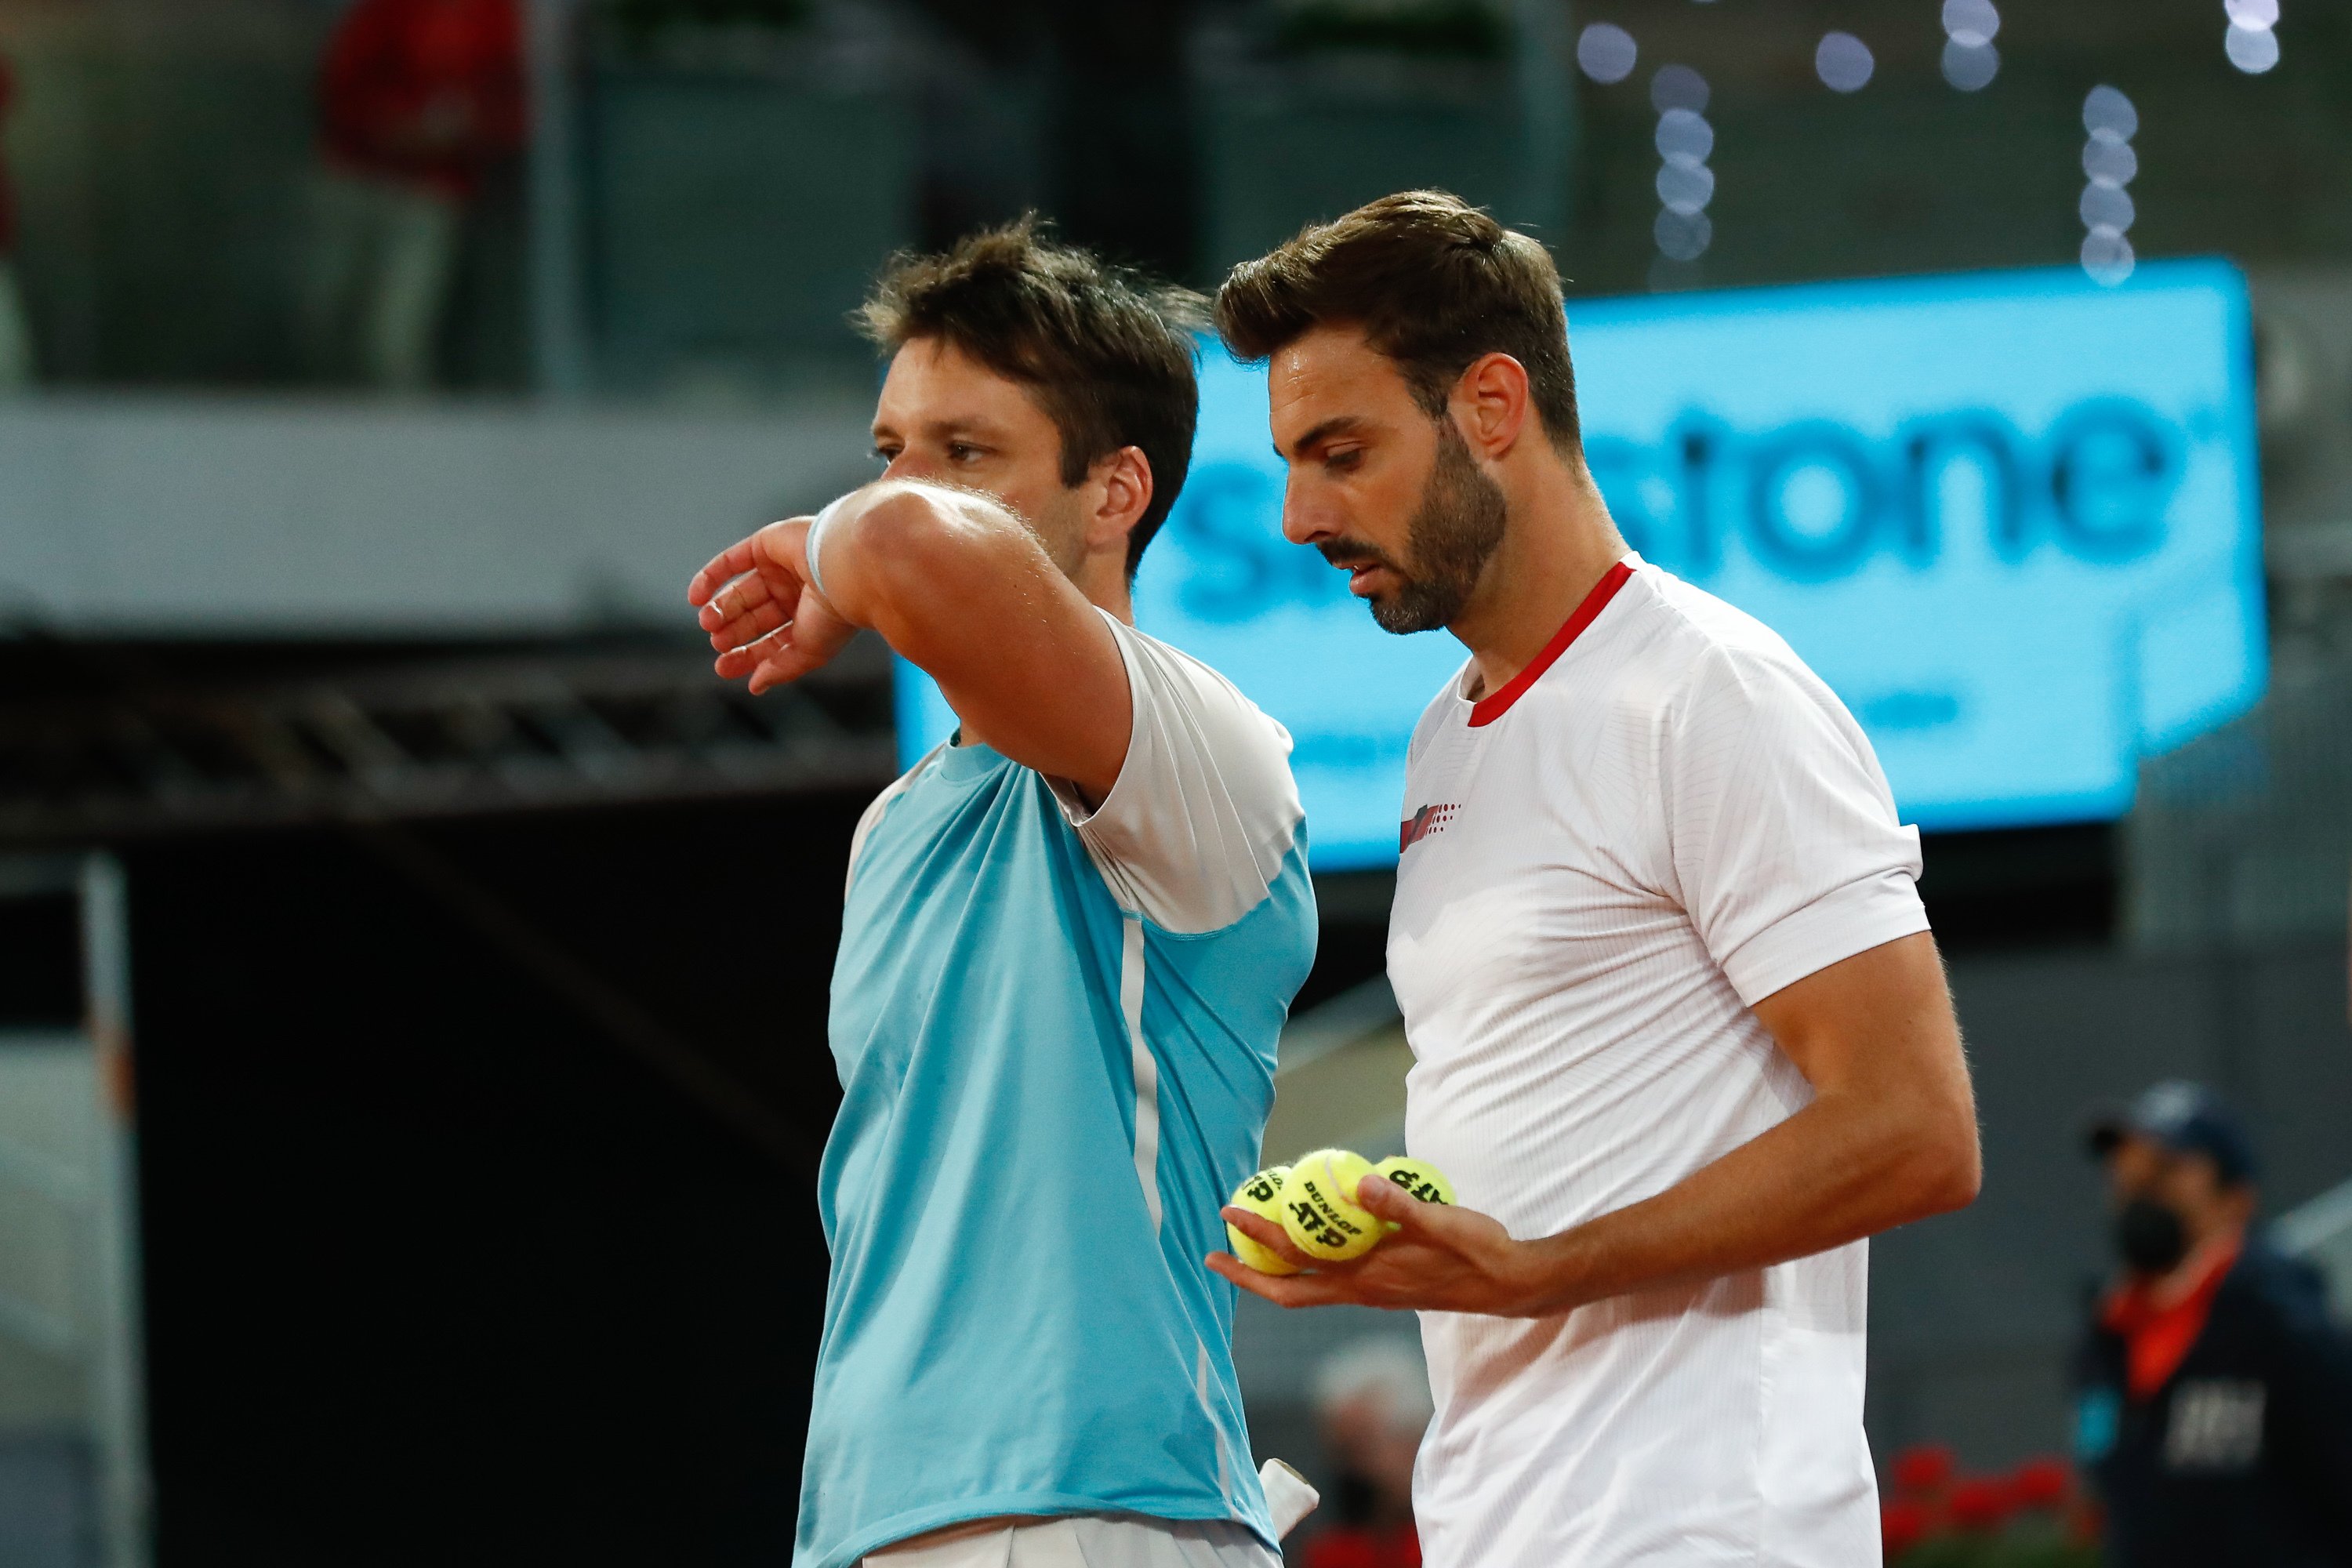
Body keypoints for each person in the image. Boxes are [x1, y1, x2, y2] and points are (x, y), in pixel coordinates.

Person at [1207, 191, 1982, 1567]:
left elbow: (1917, 1129)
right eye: (1290, 461)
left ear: (1492, 405)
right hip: (1511, 1523)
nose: (1297, 513)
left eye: (1341, 452)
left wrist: (1536, 1271)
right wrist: (1426, 1236)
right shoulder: (1451, 727)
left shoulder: (1713, 694)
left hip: (1708, 1530)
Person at [688, 223, 1316, 1568]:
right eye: (889, 449)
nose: (909, 482)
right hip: (879, 1520)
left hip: (1102, 1515)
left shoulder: (1202, 750)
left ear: (1115, 494)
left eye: (967, 451)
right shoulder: (896, 827)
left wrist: (842, 535)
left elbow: (915, 552)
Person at [2074, 1080, 2352, 1567]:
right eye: (2126, 1174)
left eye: (2164, 1170)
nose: (2138, 1188)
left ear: (2235, 1198)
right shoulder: (2107, 1337)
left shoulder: (2286, 1329)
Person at [301, 0, 523, 389]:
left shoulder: (501, 16)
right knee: (321, 320)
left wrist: (470, 131)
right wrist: (389, 126)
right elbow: (340, 79)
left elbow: (517, 103)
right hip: (358, 177)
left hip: (432, 192)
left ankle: (405, 441)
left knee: (393, 340)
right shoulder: (392, 9)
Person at [1304, 1338, 1428, 1568]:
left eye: (1359, 1446)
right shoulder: (1333, 1552)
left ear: (1412, 1438)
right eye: (1340, 1451)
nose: (1349, 1469)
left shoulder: (1454, 1533)